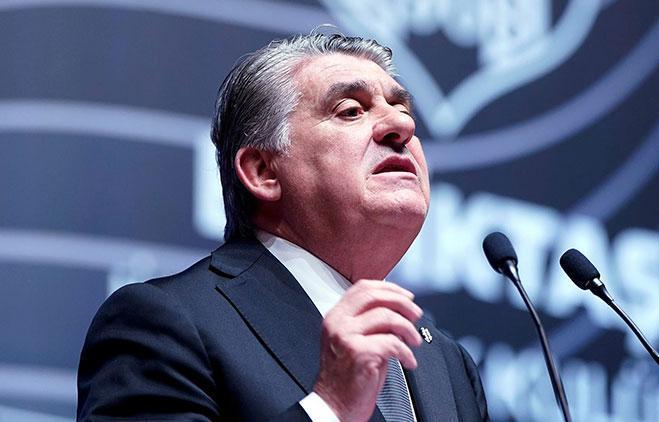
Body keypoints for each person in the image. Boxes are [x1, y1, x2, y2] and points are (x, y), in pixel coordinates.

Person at [77, 33, 488, 421]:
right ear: (263, 171)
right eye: (351, 110)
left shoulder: (448, 365)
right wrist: (331, 407)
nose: (403, 127)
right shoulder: (165, 323)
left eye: (402, 110)